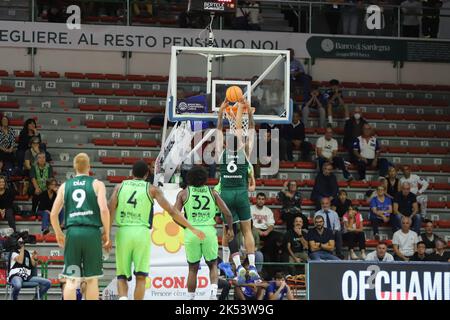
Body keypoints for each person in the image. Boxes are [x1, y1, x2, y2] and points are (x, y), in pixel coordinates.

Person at [50, 153, 111, 300]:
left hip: (73, 232)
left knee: (72, 279)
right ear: (89, 167)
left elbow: (53, 214)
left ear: (74, 167)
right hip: (92, 233)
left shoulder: (65, 186)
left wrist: (58, 233)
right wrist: (107, 233)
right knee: (92, 280)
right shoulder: (97, 184)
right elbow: (104, 209)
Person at [215, 98, 260, 282]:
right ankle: (253, 267)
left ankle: (229, 265)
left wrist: (220, 114)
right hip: (241, 194)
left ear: (226, 144)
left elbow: (218, 131)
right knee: (247, 231)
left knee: (228, 230)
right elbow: (249, 131)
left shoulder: (220, 153)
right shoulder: (244, 153)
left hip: (226, 194)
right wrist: (246, 112)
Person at [173, 166, 231, 300]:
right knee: (213, 265)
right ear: (205, 178)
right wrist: (231, 229)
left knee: (193, 268)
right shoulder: (213, 193)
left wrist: (186, 227)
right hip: (208, 232)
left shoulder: (183, 193)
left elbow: (174, 215)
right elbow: (227, 213)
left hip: (192, 231)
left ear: (189, 178)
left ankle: (190, 297)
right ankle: (212, 294)